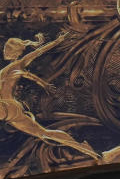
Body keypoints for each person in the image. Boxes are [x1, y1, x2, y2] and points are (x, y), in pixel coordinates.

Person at [0, 32, 100, 161]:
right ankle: (82, 147)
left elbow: (38, 53)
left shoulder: (14, 67)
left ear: (13, 52)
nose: (5, 52)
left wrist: (58, 41)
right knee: (43, 133)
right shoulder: (10, 69)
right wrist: (58, 41)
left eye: (6, 49)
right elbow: (37, 55)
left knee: (44, 133)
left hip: (5, 106)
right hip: (11, 109)